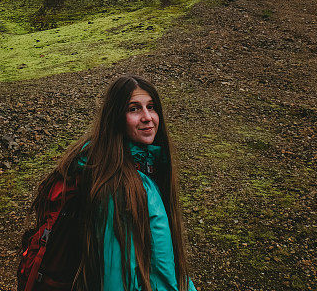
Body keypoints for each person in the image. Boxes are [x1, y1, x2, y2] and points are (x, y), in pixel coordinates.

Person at [28, 74, 197, 291]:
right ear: (116, 117)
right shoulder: (118, 187)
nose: (147, 117)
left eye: (151, 107)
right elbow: (116, 275)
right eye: (134, 109)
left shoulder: (144, 167)